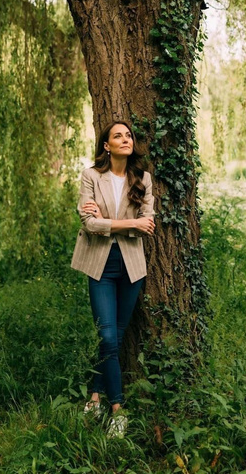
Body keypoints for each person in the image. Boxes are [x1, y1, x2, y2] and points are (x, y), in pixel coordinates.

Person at [71, 121, 155, 438]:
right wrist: (128, 223)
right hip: (100, 264)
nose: (125, 139)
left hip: (132, 266)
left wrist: (110, 222)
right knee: (106, 337)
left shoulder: (142, 179)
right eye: (117, 136)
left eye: (128, 135)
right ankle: (117, 409)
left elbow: (147, 224)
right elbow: (90, 225)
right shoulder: (92, 176)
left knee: (115, 338)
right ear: (106, 145)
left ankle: (94, 395)